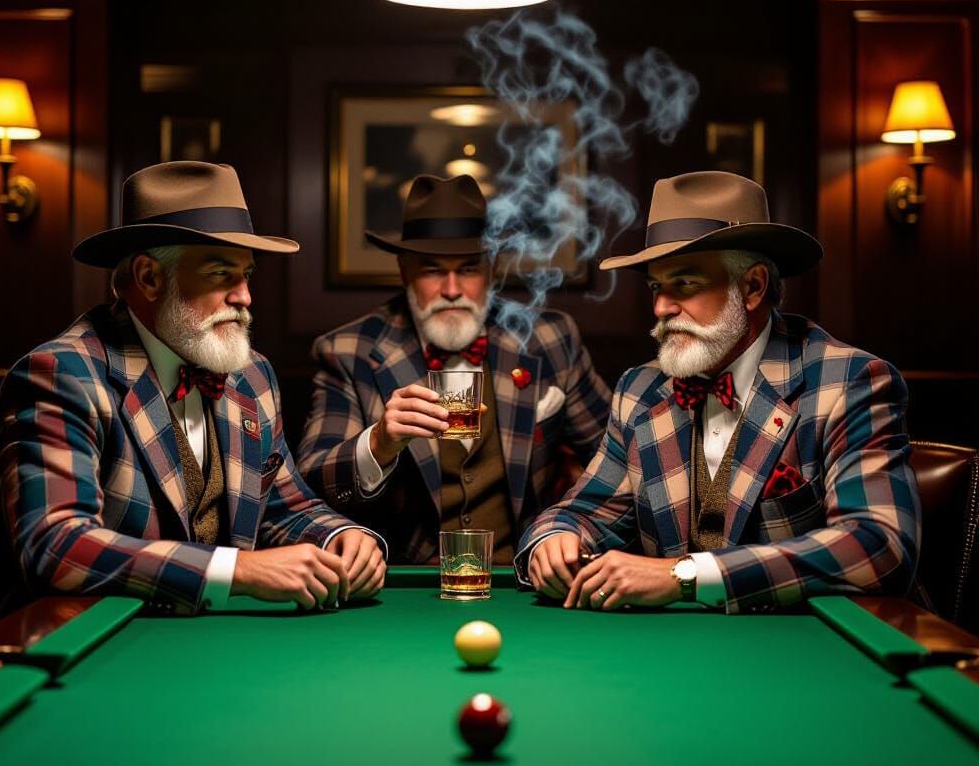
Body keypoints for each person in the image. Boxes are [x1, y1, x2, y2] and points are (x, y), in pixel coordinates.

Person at [0, 161, 385, 631]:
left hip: (205, 641)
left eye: (247, 274)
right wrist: (236, 570)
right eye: (221, 273)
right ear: (148, 277)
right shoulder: (61, 374)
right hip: (67, 643)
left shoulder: (253, 375)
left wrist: (342, 538)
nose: (245, 296)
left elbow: (287, 508)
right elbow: (56, 546)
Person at [517, 170, 920, 613]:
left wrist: (685, 575)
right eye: (656, 286)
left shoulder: (850, 381)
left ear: (752, 287)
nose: (661, 307)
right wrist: (553, 539)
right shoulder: (640, 390)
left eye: (685, 284)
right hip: (675, 657)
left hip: (804, 654)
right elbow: (583, 512)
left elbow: (878, 544)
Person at [297, 174, 612, 563]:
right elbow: (310, 486)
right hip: (405, 591)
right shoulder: (349, 352)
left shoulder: (550, 340)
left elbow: (616, 460)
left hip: (523, 581)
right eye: (431, 270)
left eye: (467, 269)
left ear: (491, 270)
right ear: (404, 271)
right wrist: (378, 443)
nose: (450, 289)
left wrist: (570, 528)